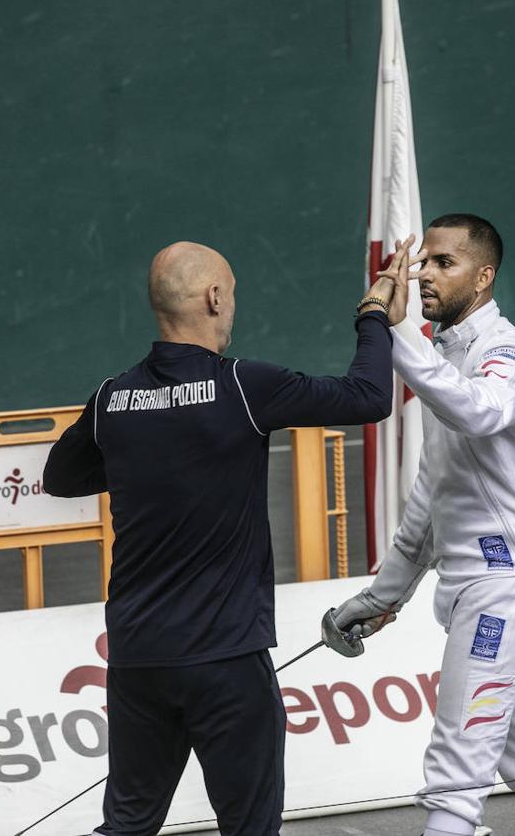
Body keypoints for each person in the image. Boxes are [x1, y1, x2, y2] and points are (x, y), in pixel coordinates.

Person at [44, 238, 413, 836]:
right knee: (249, 828)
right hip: (227, 661)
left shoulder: (114, 397)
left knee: (128, 825)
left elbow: (59, 477)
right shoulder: (244, 387)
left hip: (137, 658)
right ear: (215, 298)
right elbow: (369, 397)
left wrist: (153, 457)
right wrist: (373, 315)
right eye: (233, 295)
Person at [331, 215, 515, 836]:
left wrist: (397, 335)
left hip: (508, 590)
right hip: (493, 593)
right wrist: (379, 597)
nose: (424, 274)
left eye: (444, 263)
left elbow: (481, 411)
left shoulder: (506, 353)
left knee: (455, 776)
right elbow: (431, 498)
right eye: (423, 261)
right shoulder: (444, 357)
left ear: (484, 275)